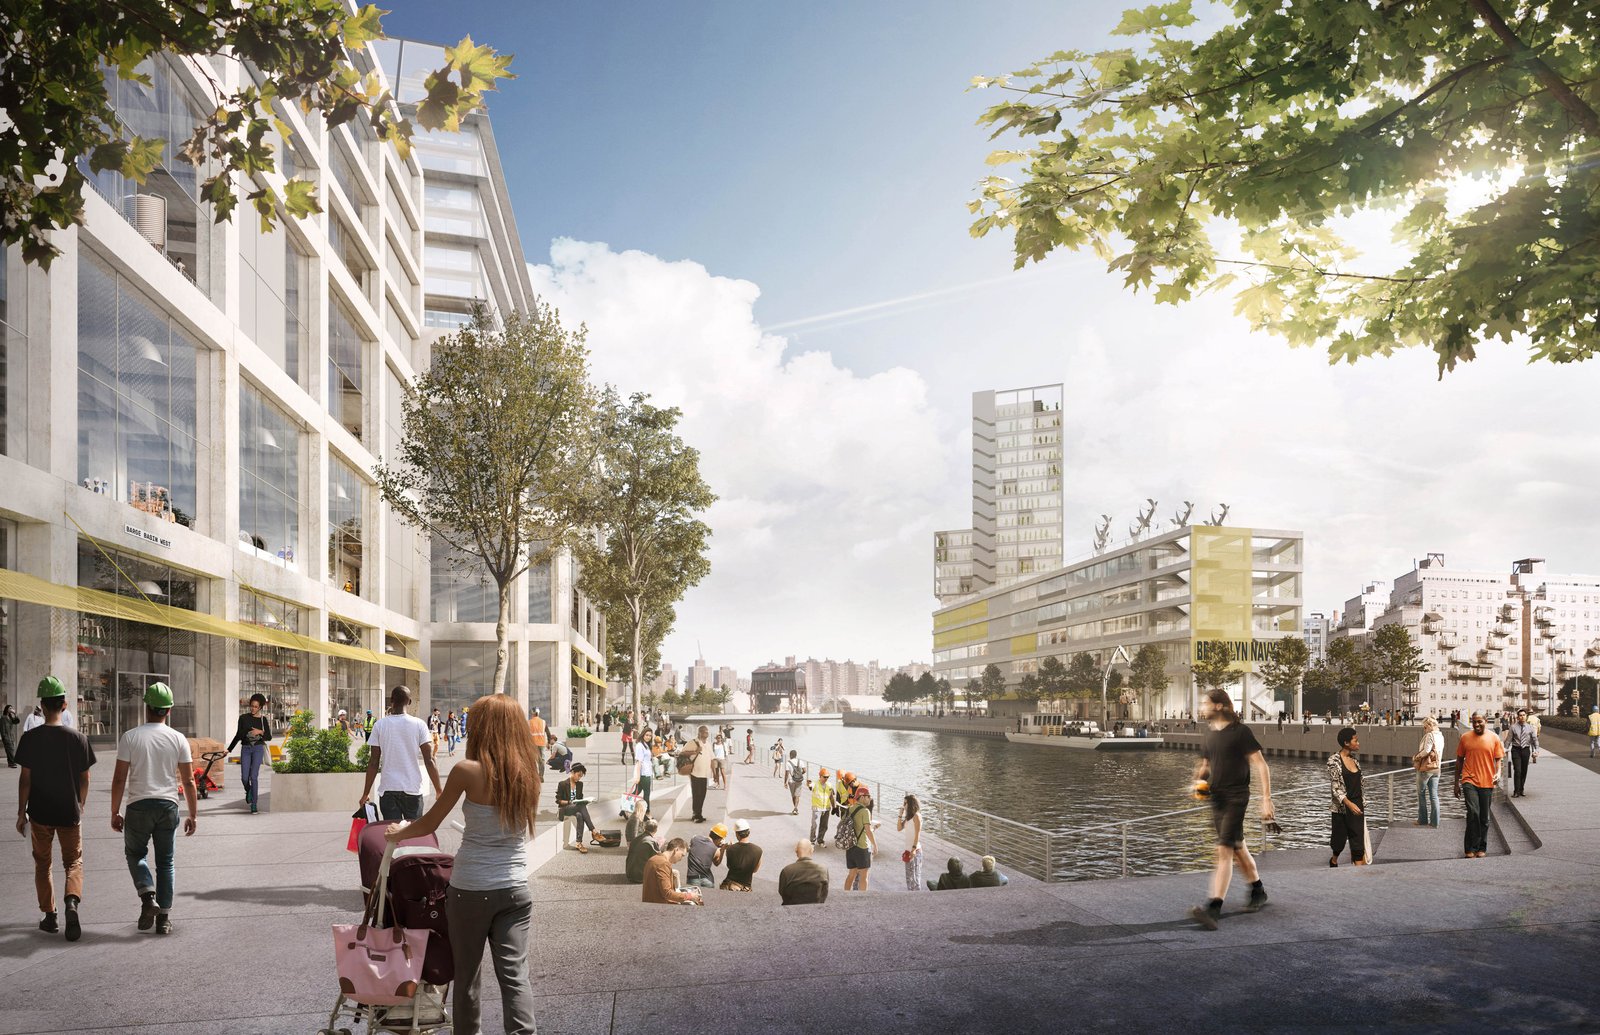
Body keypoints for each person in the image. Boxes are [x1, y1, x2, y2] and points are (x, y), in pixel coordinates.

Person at [383, 693, 539, 1035]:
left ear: (484, 727)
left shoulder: (467, 770)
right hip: (516, 890)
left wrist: (399, 833)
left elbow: (428, 823)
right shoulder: (529, 770)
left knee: (467, 977)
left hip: (471, 890)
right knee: (515, 977)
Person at [110, 682, 196, 935]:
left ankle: (148, 896)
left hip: (138, 806)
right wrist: (193, 814)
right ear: (168, 710)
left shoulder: (130, 737)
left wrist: (114, 811)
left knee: (135, 854)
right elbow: (189, 780)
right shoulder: (178, 738)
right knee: (166, 863)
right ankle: (164, 920)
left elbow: (118, 779)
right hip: (168, 806)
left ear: (146, 707)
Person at [15, 675, 96, 939]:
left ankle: (50, 916)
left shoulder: (30, 738)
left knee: (43, 864)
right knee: (73, 862)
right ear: (64, 704)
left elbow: (25, 778)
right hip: (69, 811)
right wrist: (80, 803)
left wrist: (20, 812)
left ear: (42, 704)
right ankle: (71, 902)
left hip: (40, 812)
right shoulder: (79, 739)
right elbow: (85, 778)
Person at [1189, 688, 1274, 931]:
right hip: (1217, 798)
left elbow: (1261, 765)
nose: (1202, 708)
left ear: (1218, 706)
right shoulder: (1209, 734)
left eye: (1205, 703)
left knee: (1223, 850)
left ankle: (1213, 908)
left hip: (1237, 796)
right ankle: (1258, 891)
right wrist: (1199, 781)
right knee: (1237, 848)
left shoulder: (1241, 732)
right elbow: (1205, 764)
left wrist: (1266, 799)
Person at [358, 687, 441, 822]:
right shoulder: (419, 724)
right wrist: (438, 790)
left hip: (388, 789)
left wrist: (365, 793)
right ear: (409, 702)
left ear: (391, 700)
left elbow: (373, 762)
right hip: (412, 789)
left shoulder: (380, 725)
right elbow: (429, 760)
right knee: (413, 836)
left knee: (393, 836)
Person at [1455, 711, 1505, 859]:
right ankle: (1470, 847)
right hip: (1469, 780)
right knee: (1473, 813)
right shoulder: (1465, 738)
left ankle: (1481, 847)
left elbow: (1498, 759)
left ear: (1486, 721)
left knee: (1484, 817)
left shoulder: (1494, 738)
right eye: (1474, 722)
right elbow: (1459, 761)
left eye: (1479, 722)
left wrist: (1498, 773)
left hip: (1487, 781)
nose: (1476, 724)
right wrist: (1456, 783)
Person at [1327, 727, 1368, 867]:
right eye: (1355, 740)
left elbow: (1360, 785)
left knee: (1358, 844)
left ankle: (1359, 876)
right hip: (1342, 807)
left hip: (1357, 805)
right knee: (1338, 842)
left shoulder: (1355, 761)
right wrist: (1349, 804)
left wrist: (1361, 803)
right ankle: (1334, 860)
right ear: (1346, 743)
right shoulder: (1334, 761)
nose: (1358, 743)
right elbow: (1336, 788)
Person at [226, 693, 273, 814]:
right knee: (244, 777)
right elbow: (238, 735)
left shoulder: (263, 720)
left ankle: (254, 804)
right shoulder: (243, 718)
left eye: (256, 706)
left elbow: (269, 737)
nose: (253, 708)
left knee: (254, 776)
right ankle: (249, 791)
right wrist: (229, 749)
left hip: (257, 749)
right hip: (246, 748)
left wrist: (260, 731)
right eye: (252, 706)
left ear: (261, 707)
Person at [643, 838, 702, 905]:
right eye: (682, 855)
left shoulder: (653, 859)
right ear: (676, 850)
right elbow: (667, 893)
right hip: (660, 906)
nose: (681, 859)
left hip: (650, 902)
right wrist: (689, 896)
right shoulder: (663, 864)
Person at [555, 762, 597, 854]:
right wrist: (570, 802)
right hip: (565, 809)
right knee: (580, 807)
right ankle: (593, 830)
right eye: (578, 775)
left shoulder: (580, 784)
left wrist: (586, 801)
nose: (579, 778)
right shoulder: (562, 784)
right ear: (573, 772)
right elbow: (558, 801)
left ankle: (579, 842)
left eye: (581, 776)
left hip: (576, 809)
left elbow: (580, 799)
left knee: (579, 815)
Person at [843, 785, 876, 891]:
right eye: (868, 796)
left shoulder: (849, 809)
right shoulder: (865, 811)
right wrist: (875, 844)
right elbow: (868, 830)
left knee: (851, 875)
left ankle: (845, 895)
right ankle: (863, 898)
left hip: (850, 846)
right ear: (862, 797)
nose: (869, 798)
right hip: (862, 847)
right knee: (864, 876)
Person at [1415, 715, 1444, 827]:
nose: (1424, 729)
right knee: (1434, 795)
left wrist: (1417, 756)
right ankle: (1435, 822)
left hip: (1426, 769)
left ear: (1431, 726)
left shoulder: (1430, 735)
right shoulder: (1441, 736)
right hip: (1437, 768)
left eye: (1425, 727)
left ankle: (1422, 820)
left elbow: (1426, 750)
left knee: (1421, 794)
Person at [778, 840, 829, 905]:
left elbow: (782, 892)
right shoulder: (823, 869)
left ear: (796, 851)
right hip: (816, 907)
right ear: (812, 850)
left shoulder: (787, 870)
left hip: (791, 907)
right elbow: (824, 892)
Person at [720, 818, 762, 892]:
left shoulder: (730, 849)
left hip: (729, 885)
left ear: (737, 834)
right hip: (745, 888)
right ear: (749, 832)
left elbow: (729, 866)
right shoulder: (758, 850)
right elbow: (755, 870)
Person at [1506, 709, 1539, 797]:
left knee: (1524, 770)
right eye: (1520, 715)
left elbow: (1535, 740)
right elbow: (1508, 740)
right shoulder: (1513, 727)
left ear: (1526, 716)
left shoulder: (1531, 727)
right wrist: (1504, 750)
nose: (1522, 717)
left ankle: (1521, 789)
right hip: (1516, 750)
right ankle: (1516, 791)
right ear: (1518, 717)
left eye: (1524, 715)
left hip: (1525, 750)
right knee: (1518, 770)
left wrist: (1536, 750)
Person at [686, 824, 727, 888]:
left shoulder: (695, 838)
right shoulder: (716, 850)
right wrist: (723, 849)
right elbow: (717, 863)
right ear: (720, 839)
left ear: (710, 833)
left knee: (694, 897)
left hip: (692, 878)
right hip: (708, 880)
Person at [897, 793, 923, 891]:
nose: (904, 805)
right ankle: (910, 898)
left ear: (911, 804)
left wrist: (913, 849)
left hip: (915, 851)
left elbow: (917, 834)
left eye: (905, 803)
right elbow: (899, 828)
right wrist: (900, 815)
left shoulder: (917, 816)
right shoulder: (908, 818)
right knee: (909, 878)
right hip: (908, 850)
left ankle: (917, 900)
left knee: (915, 878)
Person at [625, 818, 661, 884]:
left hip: (629, 873)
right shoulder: (652, 842)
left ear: (645, 828)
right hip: (641, 876)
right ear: (656, 830)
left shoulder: (636, 839)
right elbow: (659, 859)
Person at [688, 726, 712, 823]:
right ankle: (695, 814)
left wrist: (714, 773)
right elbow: (686, 756)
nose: (706, 733)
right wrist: (696, 751)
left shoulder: (709, 744)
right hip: (695, 773)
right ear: (699, 733)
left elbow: (712, 757)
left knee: (702, 794)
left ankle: (699, 813)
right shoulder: (693, 742)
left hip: (705, 774)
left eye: (707, 732)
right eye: (704, 732)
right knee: (696, 794)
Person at [809, 767, 834, 846]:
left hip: (826, 808)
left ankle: (820, 840)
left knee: (824, 826)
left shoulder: (829, 785)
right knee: (814, 825)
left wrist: (834, 807)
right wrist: (808, 784)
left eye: (827, 777)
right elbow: (810, 786)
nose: (826, 778)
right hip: (817, 808)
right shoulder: (815, 783)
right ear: (820, 776)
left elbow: (831, 797)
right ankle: (812, 840)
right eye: (824, 777)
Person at [632, 729, 655, 812]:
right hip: (643, 773)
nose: (648, 737)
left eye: (650, 735)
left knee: (636, 792)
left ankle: (624, 809)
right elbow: (639, 761)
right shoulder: (640, 745)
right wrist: (637, 776)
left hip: (646, 772)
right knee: (647, 792)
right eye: (647, 735)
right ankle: (646, 811)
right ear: (643, 735)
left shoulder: (646, 745)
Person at [784, 750, 805, 815]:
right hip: (799, 780)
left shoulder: (788, 763)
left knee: (793, 796)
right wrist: (799, 774)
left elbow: (786, 774)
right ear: (796, 755)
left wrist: (785, 782)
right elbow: (805, 770)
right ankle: (795, 808)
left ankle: (795, 809)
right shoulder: (800, 761)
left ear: (790, 755)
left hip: (791, 781)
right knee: (797, 795)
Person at [2, 702, 20, 767]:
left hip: (11, 736)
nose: (11, 709)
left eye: (12, 708)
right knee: (10, 750)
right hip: (6, 736)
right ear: (7, 709)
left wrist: (15, 714)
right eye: (10, 708)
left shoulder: (10, 717)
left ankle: (10, 763)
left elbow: (17, 722)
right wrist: (4, 737)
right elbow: (2, 728)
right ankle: (12, 763)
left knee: (11, 750)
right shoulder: (3, 718)